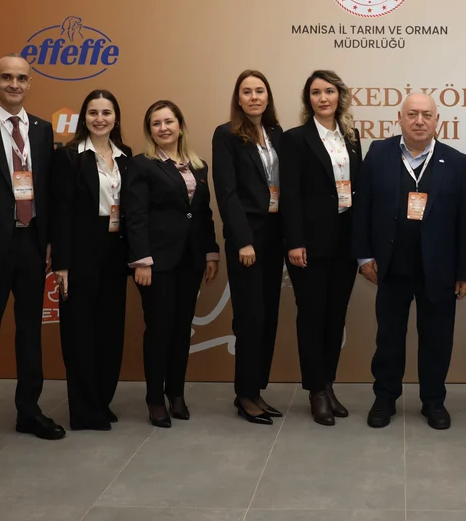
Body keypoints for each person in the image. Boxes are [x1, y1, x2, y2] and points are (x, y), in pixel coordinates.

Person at [0, 54, 65, 459]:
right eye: (6, 77)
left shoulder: (42, 129)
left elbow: (47, 192)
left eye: (21, 78)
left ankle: (29, 411)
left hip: (31, 245)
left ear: (30, 82)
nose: (14, 84)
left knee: (30, 334)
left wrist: (50, 241)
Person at [355, 93, 466, 431]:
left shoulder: (457, 161)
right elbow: (362, 208)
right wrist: (364, 256)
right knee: (388, 338)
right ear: (400, 118)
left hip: (439, 269)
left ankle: (433, 400)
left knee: (437, 338)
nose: (419, 121)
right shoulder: (378, 153)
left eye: (426, 114)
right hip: (390, 266)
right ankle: (385, 398)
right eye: (412, 114)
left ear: (437, 121)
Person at [125, 100, 220, 427]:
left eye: (169, 121)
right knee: (159, 330)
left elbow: (203, 213)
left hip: (191, 260)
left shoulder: (198, 165)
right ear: (149, 131)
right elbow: (135, 215)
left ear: (180, 126)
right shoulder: (142, 165)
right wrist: (141, 261)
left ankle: (176, 393)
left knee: (181, 330)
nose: (163, 128)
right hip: (155, 263)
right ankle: (155, 398)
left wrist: (210, 252)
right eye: (156, 123)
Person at [281, 70, 363, 426]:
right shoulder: (295, 139)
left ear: (339, 96)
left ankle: (328, 385)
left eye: (329, 91)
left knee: (335, 317)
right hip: (310, 244)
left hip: (345, 241)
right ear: (308, 100)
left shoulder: (352, 137)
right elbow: (290, 195)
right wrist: (295, 241)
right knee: (312, 317)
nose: (323, 98)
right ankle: (315, 390)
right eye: (316, 92)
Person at [50, 89, 131, 431]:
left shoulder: (125, 155)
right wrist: (62, 264)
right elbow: (60, 212)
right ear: (84, 118)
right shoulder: (69, 156)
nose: (100, 119)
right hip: (80, 251)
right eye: (93, 112)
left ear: (116, 118)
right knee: (79, 332)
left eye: (106, 112)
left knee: (110, 330)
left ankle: (101, 400)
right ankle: (83, 411)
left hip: (115, 250)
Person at [213, 70, 286, 425]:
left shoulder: (276, 134)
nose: (254, 97)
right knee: (249, 317)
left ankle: (256, 389)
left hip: (275, 237)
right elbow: (227, 193)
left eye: (260, 90)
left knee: (268, 316)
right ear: (238, 99)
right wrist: (243, 240)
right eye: (247, 91)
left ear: (267, 97)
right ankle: (244, 394)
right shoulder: (226, 135)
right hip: (247, 240)